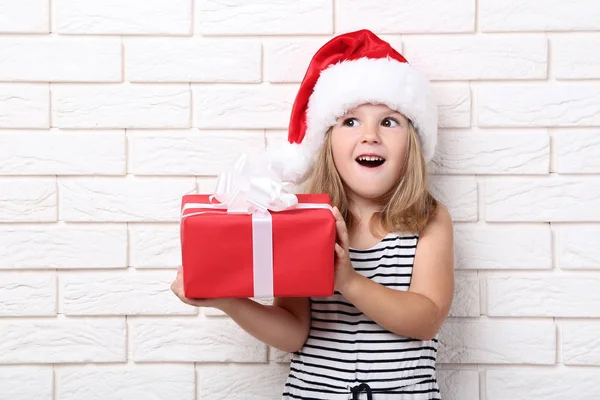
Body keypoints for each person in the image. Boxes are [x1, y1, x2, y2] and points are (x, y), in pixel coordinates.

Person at [171, 29, 454, 400]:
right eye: (350, 121)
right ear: (326, 143)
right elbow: (293, 333)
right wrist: (224, 299)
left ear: (412, 144)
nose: (369, 135)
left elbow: (426, 320)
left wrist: (348, 281)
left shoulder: (428, 219)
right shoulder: (298, 217)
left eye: (389, 121)